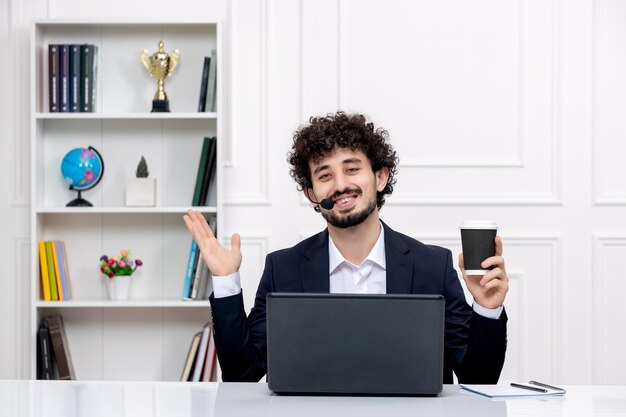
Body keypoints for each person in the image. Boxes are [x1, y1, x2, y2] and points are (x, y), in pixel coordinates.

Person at [184, 111, 509, 383]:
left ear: (380, 178)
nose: (340, 185)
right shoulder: (283, 269)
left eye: (352, 169)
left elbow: (477, 378)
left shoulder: (432, 266)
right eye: (325, 175)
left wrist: (486, 308)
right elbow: (244, 374)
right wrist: (226, 283)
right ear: (312, 194)